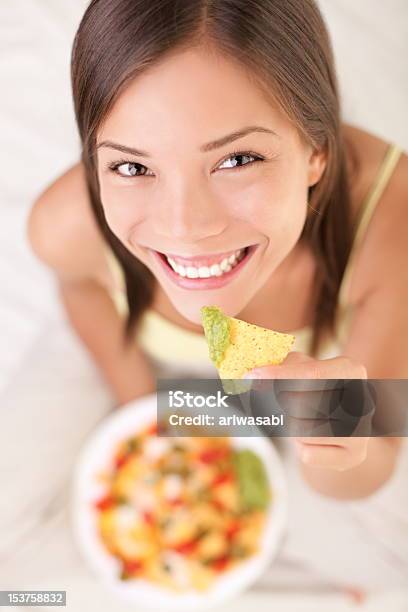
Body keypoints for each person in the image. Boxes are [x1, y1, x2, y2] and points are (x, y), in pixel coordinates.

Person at [27, 0, 408, 590]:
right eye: (132, 167)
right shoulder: (63, 227)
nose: (184, 227)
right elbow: (77, 287)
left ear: (316, 151)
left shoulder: (392, 226)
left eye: (237, 159)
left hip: (309, 402)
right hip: (142, 361)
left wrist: (338, 433)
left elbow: (370, 464)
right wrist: (147, 404)